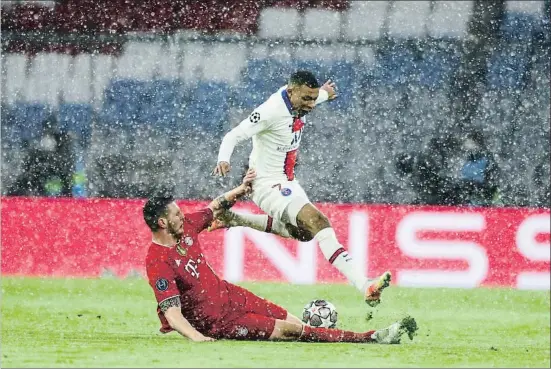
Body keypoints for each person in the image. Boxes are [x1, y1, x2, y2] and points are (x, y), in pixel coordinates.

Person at [143, 170, 418, 343]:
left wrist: (240, 190)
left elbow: (214, 207)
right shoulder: (158, 261)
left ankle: (337, 336)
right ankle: (371, 337)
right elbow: (172, 312)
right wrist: (196, 337)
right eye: (177, 215)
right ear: (162, 223)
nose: (183, 216)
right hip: (216, 320)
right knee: (290, 332)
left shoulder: (187, 227)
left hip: (230, 295)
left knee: (294, 322)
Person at [212, 71, 390, 307]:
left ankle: (233, 218)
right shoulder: (270, 111)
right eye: (306, 99)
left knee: (305, 233)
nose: (311, 104)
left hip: (288, 182)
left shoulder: (306, 98)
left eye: (313, 99)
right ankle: (364, 284)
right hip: (266, 184)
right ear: (290, 91)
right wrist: (224, 159)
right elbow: (233, 135)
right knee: (319, 222)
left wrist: (326, 92)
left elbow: (322, 95)